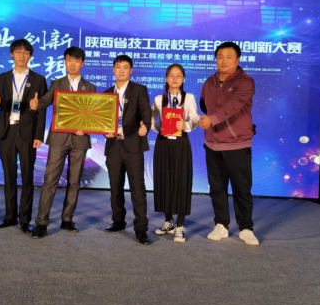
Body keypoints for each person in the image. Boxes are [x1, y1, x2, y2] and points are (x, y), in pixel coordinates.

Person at [28, 46, 96, 239]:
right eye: (69, 60)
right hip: (59, 137)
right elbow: (46, 101)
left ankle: (67, 219)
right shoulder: (57, 83)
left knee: (74, 182)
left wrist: (87, 127)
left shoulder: (90, 87)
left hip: (80, 138)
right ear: (65, 62)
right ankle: (41, 222)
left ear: (82, 63)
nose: (72, 64)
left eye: (76, 61)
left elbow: (93, 112)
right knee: (50, 180)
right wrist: (36, 105)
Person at [198, 41, 259, 246]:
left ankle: (246, 228)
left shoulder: (245, 82)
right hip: (212, 144)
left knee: (241, 188)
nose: (223, 61)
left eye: (229, 57)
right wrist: (210, 121)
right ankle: (221, 225)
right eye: (220, 57)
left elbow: (234, 105)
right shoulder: (209, 82)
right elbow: (204, 104)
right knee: (217, 187)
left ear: (238, 59)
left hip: (237, 143)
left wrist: (213, 119)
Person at [0, 39, 47, 233]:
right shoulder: (1, 78)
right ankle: (9, 217)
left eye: (25, 52)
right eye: (18, 52)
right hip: (6, 131)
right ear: (12, 54)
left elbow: (41, 111)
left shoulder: (39, 80)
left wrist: (39, 135)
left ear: (30, 56)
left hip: (28, 133)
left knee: (27, 176)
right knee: (9, 176)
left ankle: (25, 219)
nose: (22, 56)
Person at [104, 55, 152, 245]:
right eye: (118, 67)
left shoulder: (139, 89)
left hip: (133, 144)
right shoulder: (107, 93)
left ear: (131, 70)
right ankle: (118, 221)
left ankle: (141, 229)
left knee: (137, 189)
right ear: (113, 70)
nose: (122, 70)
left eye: (125, 67)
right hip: (113, 144)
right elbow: (102, 120)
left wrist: (145, 126)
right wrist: (104, 131)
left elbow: (146, 113)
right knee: (115, 187)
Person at [151, 64, 199, 243]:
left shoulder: (189, 97)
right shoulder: (158, 99)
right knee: (164, 179)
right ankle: (168, 222)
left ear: (183, 79)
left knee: (181, 180)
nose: (175, 78)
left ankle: (180, 225)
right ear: (166, 78)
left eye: (179, 75)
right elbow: (150, 119)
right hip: (163, 143)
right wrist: (158, 128)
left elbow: (195, 118)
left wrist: (185, 125)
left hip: (180, 143)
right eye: (171, 75)